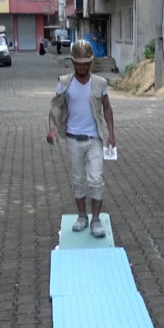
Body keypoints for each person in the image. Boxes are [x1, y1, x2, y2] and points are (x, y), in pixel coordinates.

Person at [47, 40, 117, 238]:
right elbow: (55, 108)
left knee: (95, 179)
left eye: (86, 63)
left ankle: (95, 220)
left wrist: (111, 133)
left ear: (91, 62)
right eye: (79, 63)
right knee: (77, 179)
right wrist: (52, 129)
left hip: (94, 139)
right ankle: (81, 216)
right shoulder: (64, 82)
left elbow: (107, 108)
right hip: (72, 139)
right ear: (73, 62)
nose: (82, 67)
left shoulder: (100, 83)